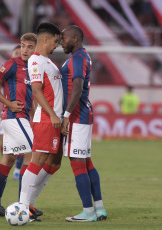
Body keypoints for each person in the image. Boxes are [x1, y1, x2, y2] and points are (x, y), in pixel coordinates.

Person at [60, 25, 107, 222]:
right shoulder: (83, 56)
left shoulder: (78, 58)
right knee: (87, 162)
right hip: (84, 115)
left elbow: (77, 87)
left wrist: (66, 115)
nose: (61, 42)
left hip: (77, 116)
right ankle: (99, 208)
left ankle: (88, 211)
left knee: (77, 162)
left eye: (64, 38)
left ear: (75, 39)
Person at [0, 33, 36, 217]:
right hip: (14, 116)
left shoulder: (35, 68)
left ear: (35, 49)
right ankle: (25, 206)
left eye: (29, 47)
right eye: (23, 45)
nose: (25, 49)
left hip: (22, 118)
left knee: (8, 159)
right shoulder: (13, 64)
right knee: (33, 155)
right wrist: (8, 104)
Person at [19, 22, 63, 222]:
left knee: (54, 163)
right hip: (47, 119)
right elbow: (36, 89)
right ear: (45, 39)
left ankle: (30, 204)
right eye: (55, 41)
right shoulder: (36, 60)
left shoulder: (48, 61)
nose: (57, 45)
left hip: (55, 119)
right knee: (36, 161)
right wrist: (53, 115)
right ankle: (23, 207)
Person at [0, 44, 25, 181]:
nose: (19, 54)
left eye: (20, 52)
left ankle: (18, 169)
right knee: (5, 144)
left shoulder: (27, 69)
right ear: (11, 55)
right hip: (7, 112)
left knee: (24, 145)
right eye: (16, 52)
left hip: (22, 113)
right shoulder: (7, 69)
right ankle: (8, 166)